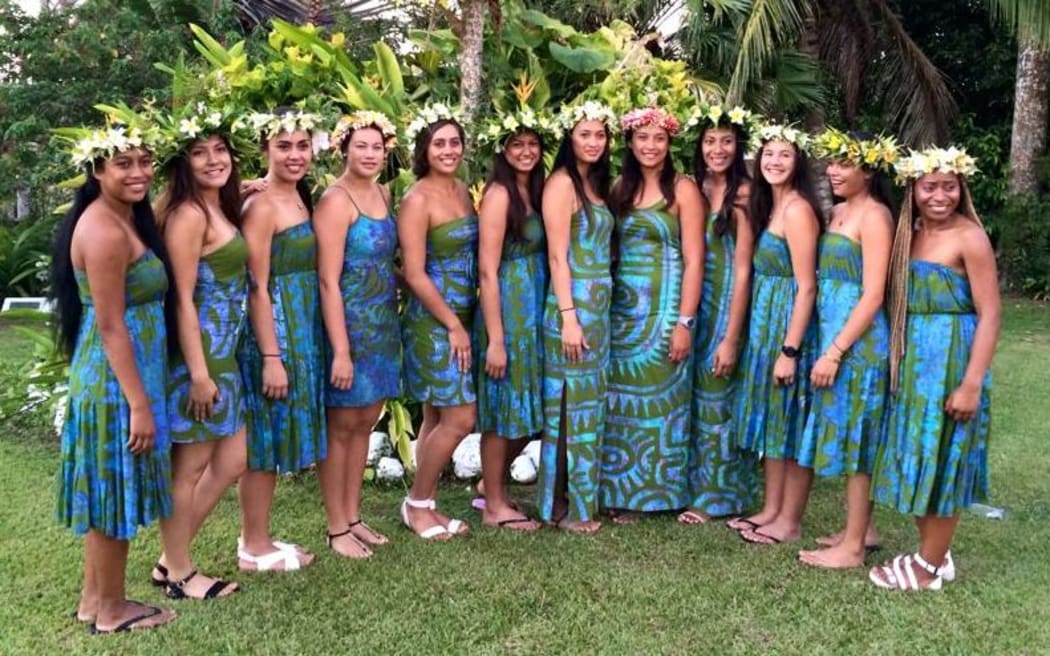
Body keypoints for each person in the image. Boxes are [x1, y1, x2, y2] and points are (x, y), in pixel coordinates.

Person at [52, 126, 178, 634]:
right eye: (123, 163)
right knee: (112, 495)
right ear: (97, 170)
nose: (139, 172)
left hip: (123, 375)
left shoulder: (123, 217)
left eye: (145, 161)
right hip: (114, 383)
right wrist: (139, 405)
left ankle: (93, 600)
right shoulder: (103, 230)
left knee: (110, 490)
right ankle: (112, 611)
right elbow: (109, 325)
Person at [869, 147, 999, 591]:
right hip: (914, 362)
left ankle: (927, 568)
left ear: (962, 189)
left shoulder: (969, 237)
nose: (940, 196)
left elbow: (991, 314)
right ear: (912, 189)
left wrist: (972, 383)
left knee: (944, 458)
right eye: (929, 187)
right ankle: (936, 554)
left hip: (952, 360)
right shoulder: (908, 234)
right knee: (919, 453)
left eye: (949, 186)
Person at [153, 106, 246, 599]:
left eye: (220, 150)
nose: (213, 160)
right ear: (182, 163)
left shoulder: (217, 207)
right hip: (201, 357)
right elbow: (182, 299)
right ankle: (181, 573)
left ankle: (169, 559)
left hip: (225, 356)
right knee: (187, 470)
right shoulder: (188, 216)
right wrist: (197, 373)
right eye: (199, 152)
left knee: (233, 461)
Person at [796, 130, 896, 568]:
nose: (833, 171)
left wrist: (835, 351)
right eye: (831, 163)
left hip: (858, 343)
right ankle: (862, 529)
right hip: (832, 331)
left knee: (859, 439)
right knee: (847, 433)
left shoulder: (875, 217)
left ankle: (853, 548)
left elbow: (873, 294)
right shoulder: (838, 211)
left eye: (844, 163)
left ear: (869, 170)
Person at [600, 106, 705, 521]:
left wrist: (684, 322)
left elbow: (695, 260)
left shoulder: (683, 190)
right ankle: (617, 489)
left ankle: (655, 494)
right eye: (643, 138)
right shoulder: (617, 188)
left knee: (662, 405)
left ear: (669, 143)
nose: (651, 146)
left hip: (666, 310)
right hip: (622, 312)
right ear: (630, 142)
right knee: (621, 401)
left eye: (659, 139)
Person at [237, 109, 326, 570]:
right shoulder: (261, 206)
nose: (295, 155)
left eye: (302, 146)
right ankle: (252, 545)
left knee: (273, 439)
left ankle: (261, 537)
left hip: (302, 328)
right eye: (283, 146)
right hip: (275, 335)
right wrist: (272, 355)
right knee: (263, 443)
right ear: (264, 149)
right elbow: (256, 285)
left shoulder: (298, 196)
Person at [316, 111, 401, 555]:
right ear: (344, 149)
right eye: (361, 146)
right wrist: (340, 350)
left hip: (381, 324)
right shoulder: (335, 201)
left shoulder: (383, 193)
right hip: (348, 326)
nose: (370, 154)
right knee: (342, 427)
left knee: (366, 420)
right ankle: (336, 527)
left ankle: (353, 516)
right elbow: (328, 280)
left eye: (377, 147)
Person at [733, 124, 821, 546]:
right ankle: (770, 509)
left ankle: (790, 520)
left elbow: (807, 286)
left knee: (790, 420)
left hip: (788, 322)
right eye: (769, 153)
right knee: (773, 418)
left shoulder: (798, 210)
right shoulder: (770, 205)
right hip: (765, 323)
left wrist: (790, 348)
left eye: (785, 154)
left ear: (798, 161)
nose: (775, 161)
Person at [535, 101, 616, 534]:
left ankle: (577, 499)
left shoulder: (595, 185)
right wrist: (569, 317)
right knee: (568, 405)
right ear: (570, 137)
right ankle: (563, 505)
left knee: (588, 406)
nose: (593, 142)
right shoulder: (562, 184)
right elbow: (557, 256)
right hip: (572, 308)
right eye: (585, 134)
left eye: (600, 135)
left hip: (598, 311)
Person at [399, 105, 477, 540]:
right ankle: (417, 504)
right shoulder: (417, 200)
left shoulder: (462, 190)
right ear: (424, 150)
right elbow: (414, 273)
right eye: (439, 143)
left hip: (463, 313)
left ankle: (424, 501)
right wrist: (453, 324)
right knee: (461, 417)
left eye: (454, 142)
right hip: (434, 320)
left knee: (436, 414)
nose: (449, 150)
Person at [679, 105, 759, 525]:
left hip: (728, 298)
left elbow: (744, 268)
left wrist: (731, 336)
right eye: (710, 141)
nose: (718, 149)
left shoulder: (744, 193)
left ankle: (719, 496)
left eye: (727, 141)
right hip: (692, 298)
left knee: (718, 394)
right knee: (692, 395)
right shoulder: (692, 187)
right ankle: (688, 484)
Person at [475, 109, 552, 531]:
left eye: (533, 144)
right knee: (504, 407)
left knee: (529, 404)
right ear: (503, 150)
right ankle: (494, 506)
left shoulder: (535, 190)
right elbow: (487, 270)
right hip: (507, 309)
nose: (526, 151)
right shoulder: (500, 195)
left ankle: (494, 487)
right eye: (517, 144)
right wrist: (496, 339)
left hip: (535, 306)